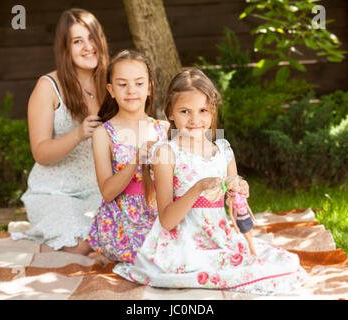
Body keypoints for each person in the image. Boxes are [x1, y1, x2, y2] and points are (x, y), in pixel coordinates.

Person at [113, 68, 307, 295]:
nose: (195, 120)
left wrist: (239, 191)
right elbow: (167, 220)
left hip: (220, 235)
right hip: (184, 242)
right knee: (225, 271)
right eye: (185, 111)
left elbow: (234, 209)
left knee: (280, 264)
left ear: (213, 111)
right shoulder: (166, 152)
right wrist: (197, 188)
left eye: (203, 110)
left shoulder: (223, 150)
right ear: (171, 113)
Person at [11, 8, 109, 255]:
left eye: (92, 38)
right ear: (65, 49)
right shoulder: (48, 87)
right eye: (78, 41)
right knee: (81, 246)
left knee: (114, 238)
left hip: (99, 190)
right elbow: (41, 153)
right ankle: (41, 241)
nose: (88, 47)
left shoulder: (111, 84)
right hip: (55, 193)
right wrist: (78, 134)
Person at [84, 49, 169, 263]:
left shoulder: (164, 129)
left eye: (139, 83)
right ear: (111, 90)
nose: (131, 90)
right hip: (123, 220)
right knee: (151, 258)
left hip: (161, 211)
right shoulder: (104, 133)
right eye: (122, 84)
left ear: (149, 87)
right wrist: (136, 160)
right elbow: (108, 192)